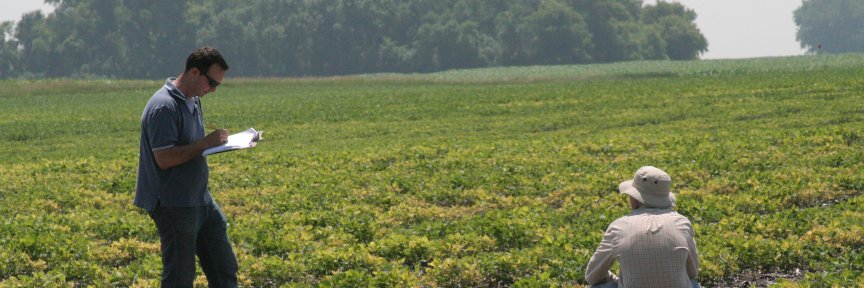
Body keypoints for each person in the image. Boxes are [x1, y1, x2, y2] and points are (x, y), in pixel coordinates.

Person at [135, 47, 238, 287]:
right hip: (174, 204)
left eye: (217, 86)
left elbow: (191, 148)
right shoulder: (163, 106)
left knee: (224, 268)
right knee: (180, 278)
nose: (212, 90)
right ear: (194, 72)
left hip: (200, 200)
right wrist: (205, 143)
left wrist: (214, 145)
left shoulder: (193, 99)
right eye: (211, 83)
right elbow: (164, 158)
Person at [585, 166, 700, 288]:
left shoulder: (618, 227)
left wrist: (620, 280)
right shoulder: (682, 223)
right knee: (692, 283)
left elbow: (592, 276)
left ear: (634, 199)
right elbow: (692, 272)